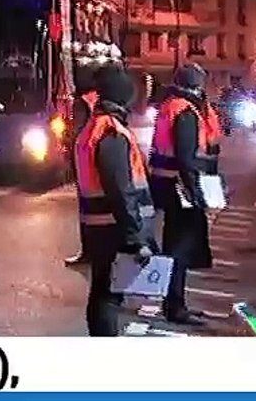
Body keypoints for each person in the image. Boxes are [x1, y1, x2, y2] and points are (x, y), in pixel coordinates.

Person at [72, 66, 155, 336]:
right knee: (109, 295)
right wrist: (136, 237)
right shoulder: (111, 132)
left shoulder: (92, 130)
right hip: (113, 227)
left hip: (95, 226)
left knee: (101, 292)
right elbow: (121, 189)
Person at [148, 62, 222, 325]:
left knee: (174, 246)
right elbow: (186, 157)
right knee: (179, 250)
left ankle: (173, 302)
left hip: (166, 185)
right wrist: (197, 193)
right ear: (195, 85)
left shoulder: (170, 105)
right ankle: (175, 305)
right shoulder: (186, 111)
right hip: (180, 188)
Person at [65, 68, 101, 266]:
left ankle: (89, 252)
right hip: (103, 160)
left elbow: (77, 133)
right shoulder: (104, 100)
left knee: (88, 213)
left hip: (87, 162)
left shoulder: (82, 103)